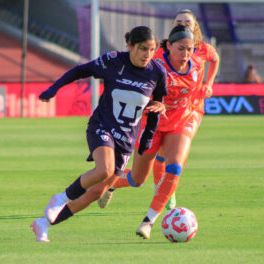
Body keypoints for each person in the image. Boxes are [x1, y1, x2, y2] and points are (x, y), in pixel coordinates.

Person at [47, 24, 218, 240]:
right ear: (169, 47)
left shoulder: (197, 64)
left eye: (190, 48)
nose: (186, 54)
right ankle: (111, 184)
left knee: (173, 168)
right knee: (137, 179)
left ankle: (149, 221)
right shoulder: (156, 67)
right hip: (151, 126)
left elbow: (214, 59)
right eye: (181, 48)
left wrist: (208, 86)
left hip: (179, 124)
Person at [30, 25, 168, 242]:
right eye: (143, 49)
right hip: (102, 126)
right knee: (104, 169)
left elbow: (157, 107)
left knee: (95, 193)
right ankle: (60, 198)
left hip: (126, 140)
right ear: (130, 45)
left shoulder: (157, 72)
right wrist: (53, 89)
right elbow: (80, 70)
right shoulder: (113, 61)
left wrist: (148, 138)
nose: (147, 55)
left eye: (152, 49)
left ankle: (43, 223)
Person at [98, 8, 220, 211]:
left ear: (194, 26)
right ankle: (120, 184)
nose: (183, 24)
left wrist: (209, 84)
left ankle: (164, 193)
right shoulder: (164, 51)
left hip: (191, 110)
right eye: (179, 21)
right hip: (162, 111)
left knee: (171, 155)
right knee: (142, 174)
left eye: (187, 21)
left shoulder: (201, 48)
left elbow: (215, 59)